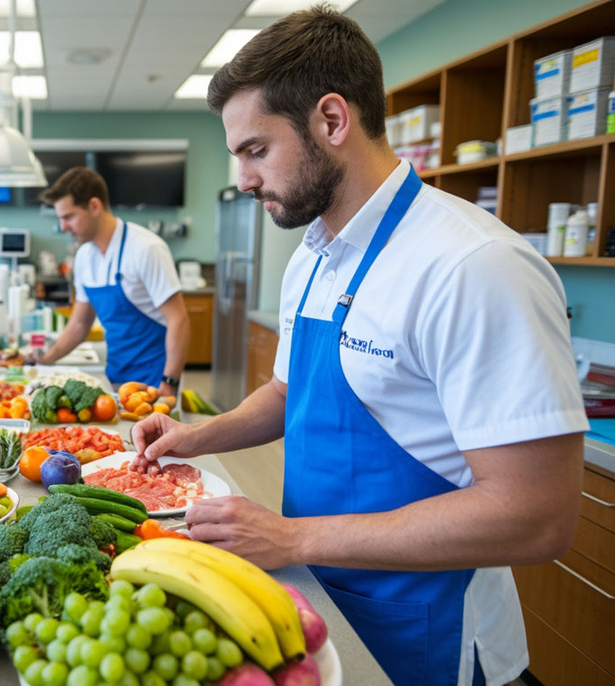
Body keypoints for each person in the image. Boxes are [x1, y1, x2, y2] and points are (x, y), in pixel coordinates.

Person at [131, 7, 588, 686]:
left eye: (257, 150)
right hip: (325, 603)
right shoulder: (314, 255)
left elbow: (538, 516)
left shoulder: (473, 265)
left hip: (435, 628)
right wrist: (198, 437)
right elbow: (292, 392)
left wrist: (295, 538)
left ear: (332, 121)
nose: (246, 179)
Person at [28, 167, 189, 397]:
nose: (63, 227)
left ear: (94, 206)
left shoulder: (146, 249)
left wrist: (169, 383)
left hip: (154, 382)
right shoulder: (84, 256)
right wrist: (42, 360)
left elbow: (179, 319)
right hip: (115, 377)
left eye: (68, 216)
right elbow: (79, 326)